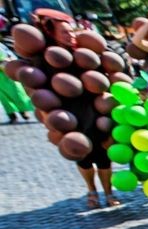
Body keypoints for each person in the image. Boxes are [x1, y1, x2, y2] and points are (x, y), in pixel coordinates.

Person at [30, 10, 121, 209]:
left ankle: (108, 192)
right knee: (84, 156)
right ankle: (91, 190)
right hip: (68, 113)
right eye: (64, 32)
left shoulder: (84, 52)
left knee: (103, 153)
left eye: (71, 31)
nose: (70, 35)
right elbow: (38, 89)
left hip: (94, 108)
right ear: (52, 34)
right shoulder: (45, 59)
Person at [0, 40, 33, 124]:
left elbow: (9, 56)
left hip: (6, 72)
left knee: (18, 93)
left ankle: (23, 111)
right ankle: (11, 115)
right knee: (4, 97)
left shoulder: (1, 46)